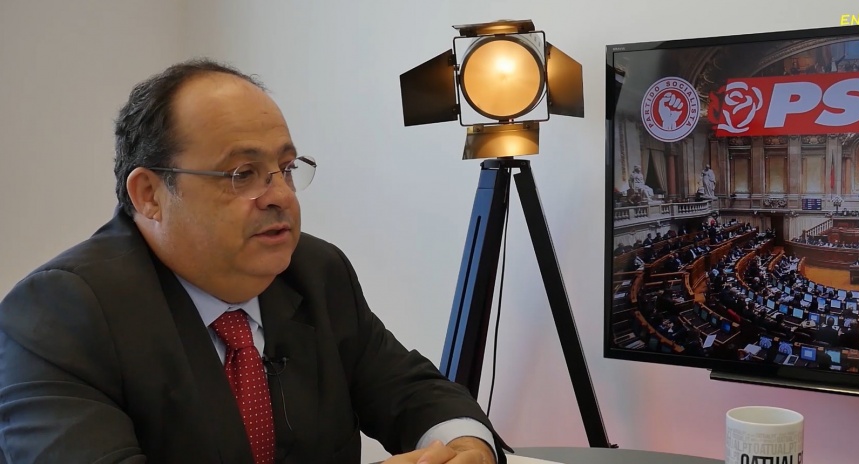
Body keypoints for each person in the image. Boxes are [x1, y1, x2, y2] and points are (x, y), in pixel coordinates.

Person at [0, 60, 508, 463]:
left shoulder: (315, 271)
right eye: (242, 174)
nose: (280, 196)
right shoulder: (59, 313)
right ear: (150, 194)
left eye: (285, 168)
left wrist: (464, 444)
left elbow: (410, 391)